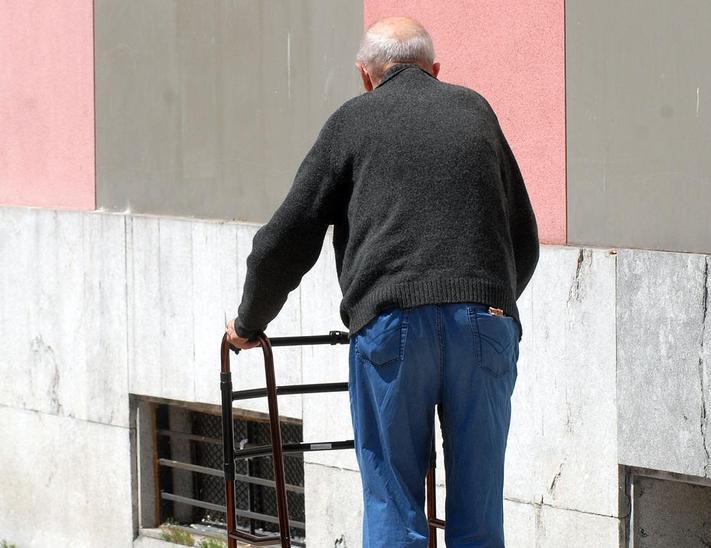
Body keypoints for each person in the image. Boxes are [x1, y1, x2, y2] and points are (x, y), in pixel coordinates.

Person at [225, 16, 539, 548]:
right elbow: (523, 237)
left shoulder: (353, 120)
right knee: (480, 511)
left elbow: (286, 238)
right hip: (484, 322)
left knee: (394, 504)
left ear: (365, 75)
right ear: (435, 70)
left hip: (392, 325)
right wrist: (488, 308)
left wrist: (249, 321)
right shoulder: (476, 111)